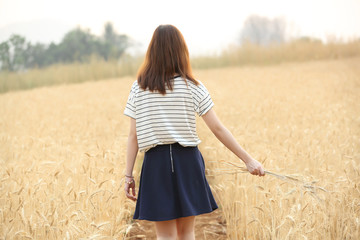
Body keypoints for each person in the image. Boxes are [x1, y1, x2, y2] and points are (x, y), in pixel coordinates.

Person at [123, 24, 265, 240]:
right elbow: (217, 128)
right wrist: (248, 160)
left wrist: (128, 175)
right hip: (187, 162)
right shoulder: (193, 86)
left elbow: (133, 136)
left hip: (155, 164)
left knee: (166, 236)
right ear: (181, 51)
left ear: (152, 51)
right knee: (187, 232)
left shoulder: (139, 87)